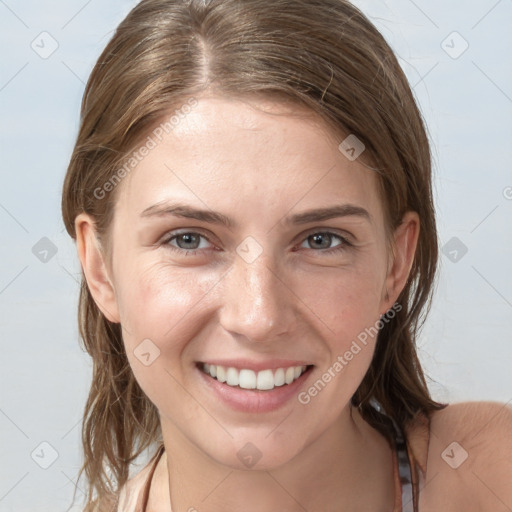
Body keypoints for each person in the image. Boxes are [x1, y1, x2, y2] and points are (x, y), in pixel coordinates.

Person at [61, 0, 512, 511]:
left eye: (321, 240)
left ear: (395, 264)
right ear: (100, 268)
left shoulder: (491, 475)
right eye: (188, 239)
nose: (258, 317)